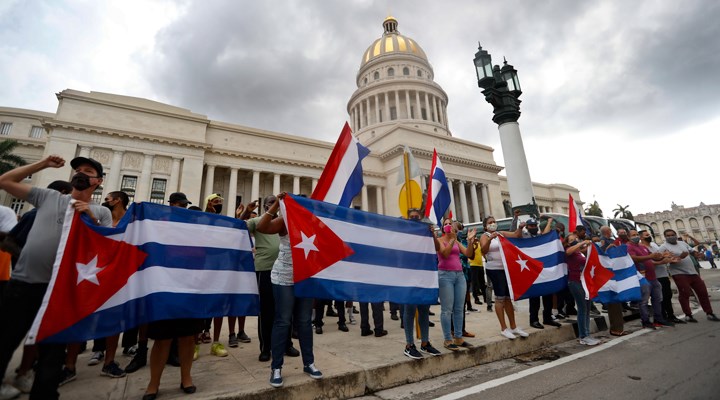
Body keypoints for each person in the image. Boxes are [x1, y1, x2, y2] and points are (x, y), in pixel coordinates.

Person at [0, 155, 112, 400]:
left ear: (98, 181)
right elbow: (5, 181)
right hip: (24, 284)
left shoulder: (99, 211)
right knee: (6, 340)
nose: (80, 173)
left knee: (52, 355)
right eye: (77, 170)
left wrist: (89, 219)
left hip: (61, 292)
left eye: (87, 171)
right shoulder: (49, 196)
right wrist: (42, 165)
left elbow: (105, 249)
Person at [256, 193, 322, 388]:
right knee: (283, 320)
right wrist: (276, 204)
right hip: (283, 277)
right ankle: (276, 367)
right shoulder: (285, 221)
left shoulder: (314, 223)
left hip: (305, 278)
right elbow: (261, 227)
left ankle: (309, 363)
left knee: (304, 321)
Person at [142, 192, 203, 400]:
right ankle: (153, 384)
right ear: (171, 205)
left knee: (187, 337)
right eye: (179, 205)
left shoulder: (192, 228)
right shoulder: (159, 224)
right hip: (165, 287)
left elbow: (201, 254)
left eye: (185, 206)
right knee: (162, 339)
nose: (183, 208)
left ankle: (186, 378)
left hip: (188, 287)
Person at [240, 197, 299, 362]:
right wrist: (246, 211)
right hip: (264, 270)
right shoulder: (258, 221)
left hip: (284, 271)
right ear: (266, 205)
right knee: (266, 311)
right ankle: (265, 348)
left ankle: (287, 344)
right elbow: (238, 226)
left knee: (285, 310)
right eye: (271, 202)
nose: (275, 203)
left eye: (277, 201)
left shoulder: (285, 222)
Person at [479, 216, 529, 340]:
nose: (493, 224)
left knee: (507, 298)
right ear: (485, 226)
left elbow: (516, 235)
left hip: (505, 269)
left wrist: (520, 228)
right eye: (490, 222)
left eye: (494, 221)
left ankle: (513, 326)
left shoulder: (501, 233)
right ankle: (503, 328)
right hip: (494, 270)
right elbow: (483, 250)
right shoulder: (484, 236)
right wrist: (490, 239)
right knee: (500, 298)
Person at [402, 208, 442, 359]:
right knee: (409, 311)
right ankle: (409, 345)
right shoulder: (404, 235)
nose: (414, 220)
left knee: (424, 310)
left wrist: (431, 234)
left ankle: (425, 343)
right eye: (411, 217)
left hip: (424, 276)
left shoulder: (426, 233)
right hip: (409, 277)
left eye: (416, 218)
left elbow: (438, 249)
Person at [658, 229, 719, 322]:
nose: (670, 237)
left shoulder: (682, 243)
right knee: (685, 293)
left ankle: (709, 313)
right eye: (668, 236)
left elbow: (692, 252)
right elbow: (662, 260)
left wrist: (698, 255)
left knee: (702, 292)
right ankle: (688, 315)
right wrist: (679, 257)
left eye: (672, 235)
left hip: (692, 272)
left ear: (675, 235)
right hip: (678, 273)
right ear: (665, 237)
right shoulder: (663, 247)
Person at [434, 218, 477, 350]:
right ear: (442, 228)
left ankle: (458, 337)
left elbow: (469, 254)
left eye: (449, 224)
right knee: (447, 310)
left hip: (459, 275)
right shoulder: (440, 241)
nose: (447, 226)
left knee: (459, 308)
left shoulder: (457, 241)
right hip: (445, 275)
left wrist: (470, 241)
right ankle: (448, 339)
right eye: (445, 224)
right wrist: (452, 239)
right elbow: (445, 254)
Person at [627, 230, 673, 329]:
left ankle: (658, 319)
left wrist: (661, 257)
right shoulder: (629, 247)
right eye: (633, 235)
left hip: (653, 277)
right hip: (642, 278)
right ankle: (646, 321)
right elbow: (633, 258)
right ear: (628, 237)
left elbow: (652, 259)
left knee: (657, 299)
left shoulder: (642, 247)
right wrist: (650, 256)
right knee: (643, 301)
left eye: (636, 235)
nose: (636, 236)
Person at [523, 218, 561, 329]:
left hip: (544, 269)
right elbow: (516, 235)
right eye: (531, 226)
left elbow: (546, 234)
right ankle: (533, 320)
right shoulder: (525, 237)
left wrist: (549, 222)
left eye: (535, 225)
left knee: (548, 295)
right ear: (527, 227)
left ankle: (547, 318)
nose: (533, 227)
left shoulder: (540, 236)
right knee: (534, 297)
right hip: (532, 271)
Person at [564, 234, 600, 345]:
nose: (574, 240)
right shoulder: (569, 251)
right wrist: (580, 243)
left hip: (584, 282)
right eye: (572, 240)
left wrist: (589, 245)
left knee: (587, 308)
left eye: (576, 239)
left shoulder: (579, 252)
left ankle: (587, 334)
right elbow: (568, 252)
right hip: (575, 282)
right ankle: (583, 336)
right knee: (582, 308)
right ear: (568, 242)